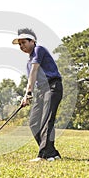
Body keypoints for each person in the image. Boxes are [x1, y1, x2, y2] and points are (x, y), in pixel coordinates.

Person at [12, 28, 63, 162]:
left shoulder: (39, 50)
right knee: (34, 123)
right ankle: (52, 152)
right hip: (41, 90)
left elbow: (34, 72)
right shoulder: (29, 62)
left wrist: (27, 93)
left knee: (47, 120)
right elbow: (33, 79)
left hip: (52, 87)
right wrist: (28, 96)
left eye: (24, 42)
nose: (22, 46)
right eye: (20, 44)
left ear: (32, 41)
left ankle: (44, 155)